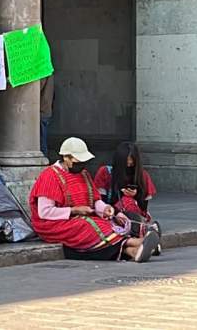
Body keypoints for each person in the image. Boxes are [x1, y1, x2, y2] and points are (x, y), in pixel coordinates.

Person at [28, 137, 160, 262]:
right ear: (66, 158)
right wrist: (74, 210)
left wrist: (105, 208)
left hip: (81, 217)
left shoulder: (84, 174)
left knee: (111, 222)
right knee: (88, 226)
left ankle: (134, 252)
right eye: (78, 162)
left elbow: (95, 200)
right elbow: (44, 212)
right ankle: (139, 242)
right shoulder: (49, 176)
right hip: (54, 224)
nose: (82, 165)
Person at [95, 142, 161, 253]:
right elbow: (101, 200)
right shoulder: (105, 172)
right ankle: (145, 242)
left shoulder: (142, 176)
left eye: (132, 160)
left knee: (128, 202)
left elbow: (143, 208)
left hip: (134, 214)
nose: (129, 163)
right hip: (110, 212)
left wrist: (137, 195)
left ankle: (142, 242)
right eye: (127, 159)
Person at [40, 74, 54, 156]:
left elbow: (37, 87)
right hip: (45, 110)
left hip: (41, 111)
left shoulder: (44, 70)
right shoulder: (48, 70)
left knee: (41, 143)